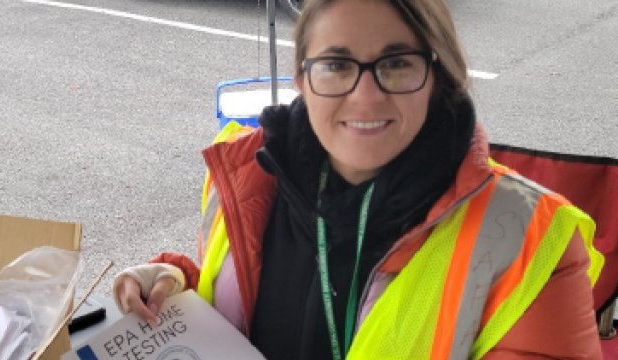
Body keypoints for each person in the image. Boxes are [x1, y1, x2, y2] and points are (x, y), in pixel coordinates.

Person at [113, 0, 605, 358]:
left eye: (395, 63)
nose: (365, 95)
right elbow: (233, 308)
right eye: (336, 65)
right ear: (303, 80)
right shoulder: (246, 176)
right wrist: (173, 281)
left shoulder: (529, 241)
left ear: (437, 76)